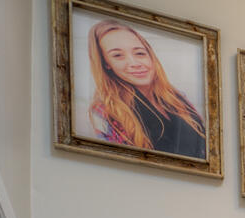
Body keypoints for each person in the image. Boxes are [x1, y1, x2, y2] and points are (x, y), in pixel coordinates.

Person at [86, 20, 208, 161]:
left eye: (139, 53)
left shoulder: (176, 97)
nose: (134, 63)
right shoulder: (106, 111)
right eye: (118, 56)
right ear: (106, 64)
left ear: (150, 55)